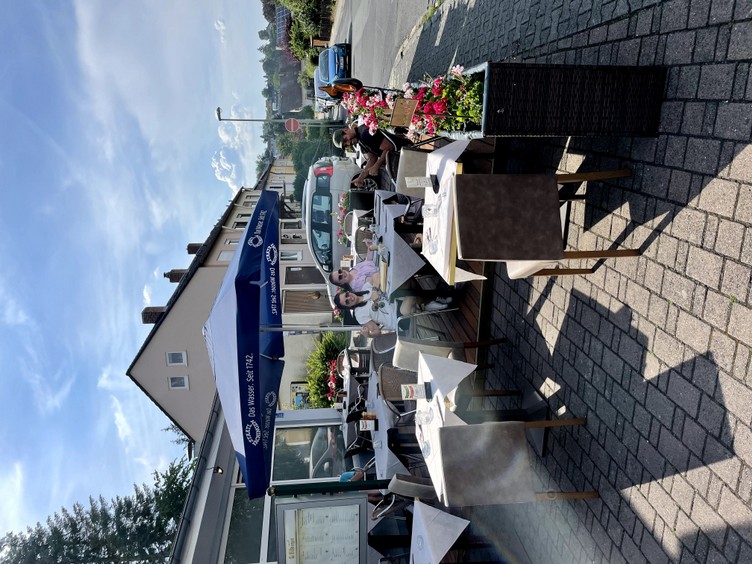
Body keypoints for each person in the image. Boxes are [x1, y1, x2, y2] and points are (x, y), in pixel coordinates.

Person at [333, 283, 447, 337]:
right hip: (397, 319)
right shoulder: (359, 315)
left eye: (346, 295)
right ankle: (438, 296)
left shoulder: (365, 288)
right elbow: (377, 331)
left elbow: (377, 277)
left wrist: (374, 290)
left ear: (348, 292)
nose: (349, 298)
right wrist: (368, 335)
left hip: (397, 300)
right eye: (346, 301)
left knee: (408, 281)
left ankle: (428, 303)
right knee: (411, 297)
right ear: (348, 307)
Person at [333, 124, 401, 187]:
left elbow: (389, 147)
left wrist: (376, 166)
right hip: (399, 158)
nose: (348, 143)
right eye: (346, 145)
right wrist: (360, 178)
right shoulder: (361, 139)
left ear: (346, 130)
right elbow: (372, 158)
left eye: (345, 139)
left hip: (402, 152)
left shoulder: (365, 134)